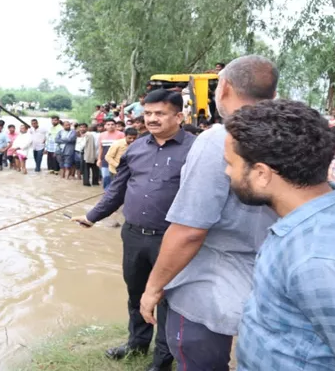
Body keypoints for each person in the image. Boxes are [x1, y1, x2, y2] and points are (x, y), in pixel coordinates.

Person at [221, 99, 335, 370]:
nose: (228, 172)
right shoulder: (331, 208)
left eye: (231, 163)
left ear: (262, 173)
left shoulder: (317, 260)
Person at [138, 55, 279, 371]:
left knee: (197, 358)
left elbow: (190, 228)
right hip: (273, 275)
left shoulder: (219, 139)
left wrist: (153, 287)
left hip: (212, 280)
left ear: (224, 87)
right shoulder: (292, 132)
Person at [72, 89, 195, 371]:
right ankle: (136, 344)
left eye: (160, 113)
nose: (152, 119)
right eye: (148, 113)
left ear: (179, 115)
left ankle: (162, 359)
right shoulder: (136, 147)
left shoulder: (195, 149)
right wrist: (92, 216)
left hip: (173, 239)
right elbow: (117, 189)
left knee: (165, 298)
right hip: (133, 235)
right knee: (136, 292)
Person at [98, 119, 125, 189]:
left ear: (115, 126)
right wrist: (99, 159)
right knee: (106, 178)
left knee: (116, 179)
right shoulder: (102, 135)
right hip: (105, 160)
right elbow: (101, 148)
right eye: (108, 124)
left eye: (112, 124)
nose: (110, 126)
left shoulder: (121, 134)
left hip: (117, 161)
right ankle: (107, 194)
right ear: (105, 126)